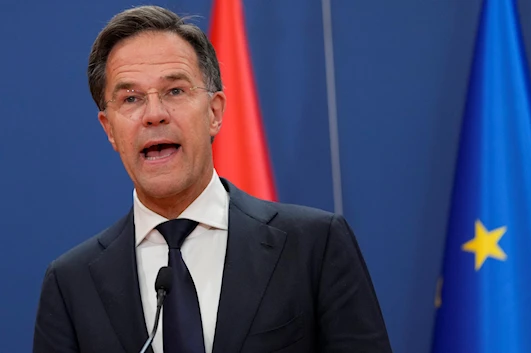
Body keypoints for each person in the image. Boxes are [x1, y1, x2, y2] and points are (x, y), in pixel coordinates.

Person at [32, 5, 392, 353]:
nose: (154, 114)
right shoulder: (71, 284)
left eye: (175, 91)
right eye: (131, 98)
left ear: (215, 113)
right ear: (109, 129)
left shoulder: (314, 246)